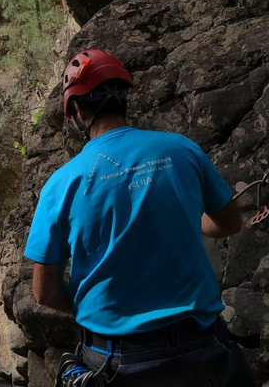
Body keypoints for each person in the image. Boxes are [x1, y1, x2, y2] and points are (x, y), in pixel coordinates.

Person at [24, 49, 255, 386]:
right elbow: (229, 222)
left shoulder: (60, 185)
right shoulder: (182, 149)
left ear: (76, 109)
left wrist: (101, 307)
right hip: (204, 351)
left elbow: (44, 293)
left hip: (115, 361)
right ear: (123, 98)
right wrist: (190, 223)